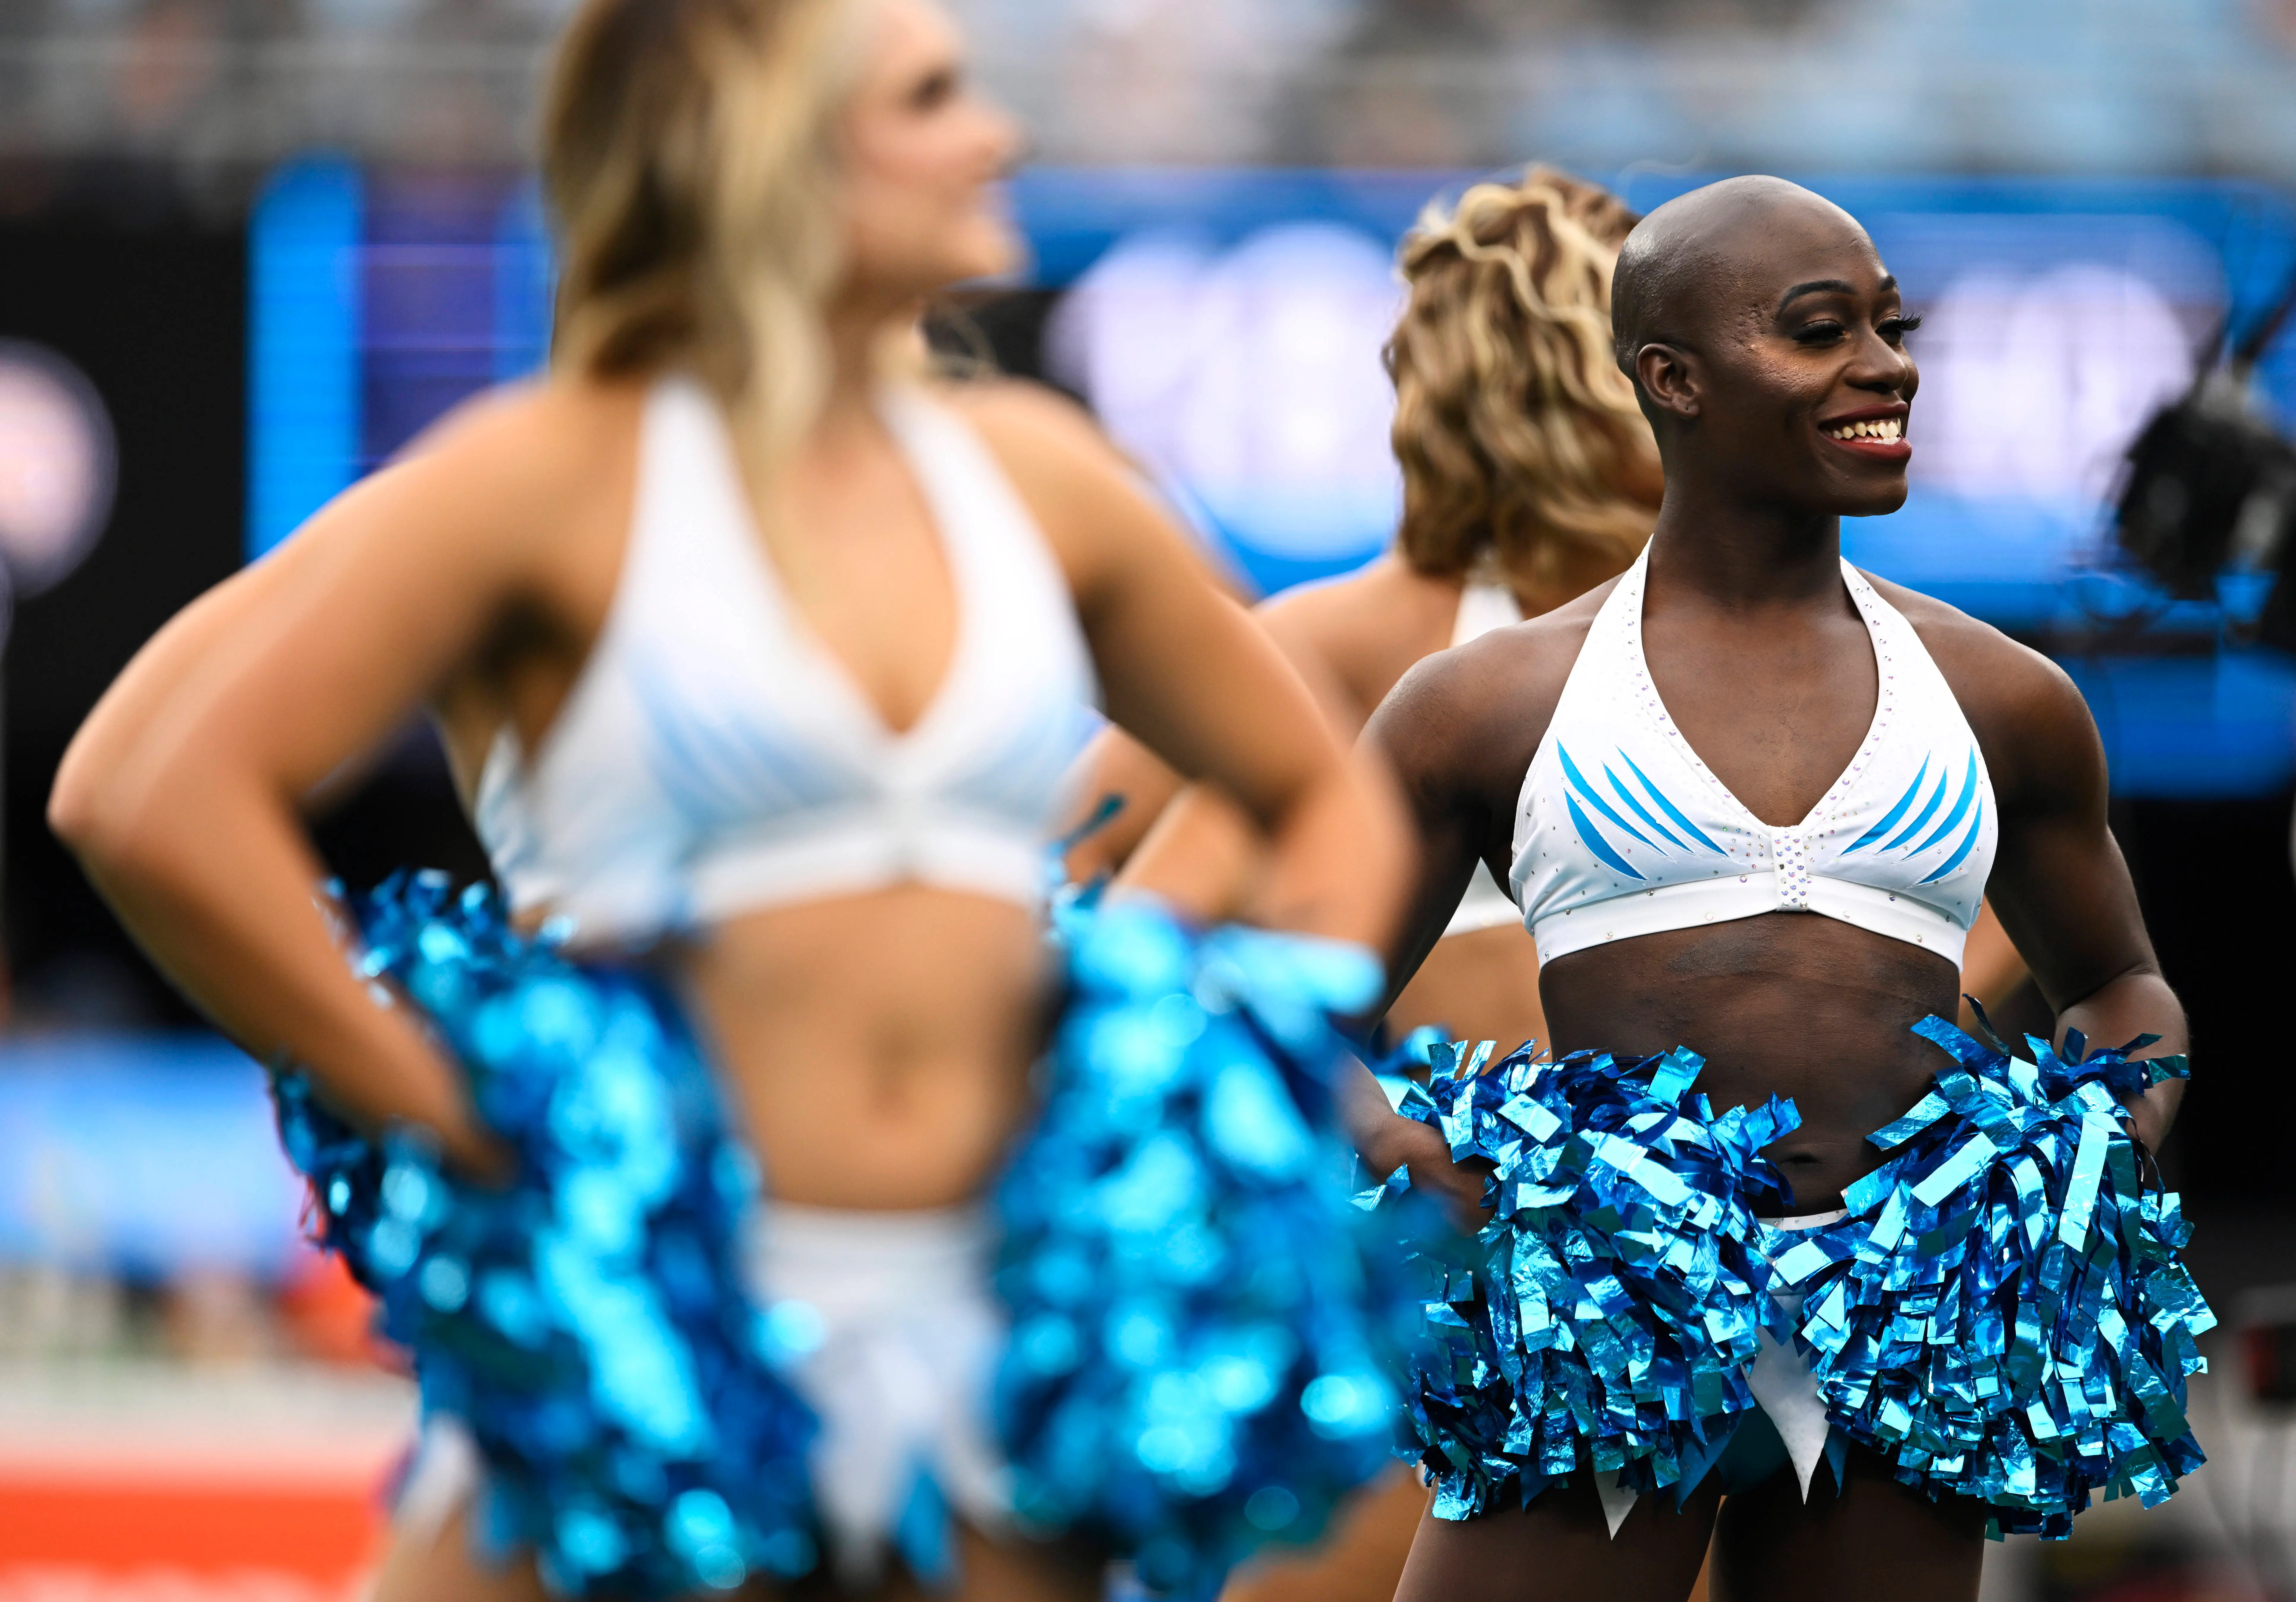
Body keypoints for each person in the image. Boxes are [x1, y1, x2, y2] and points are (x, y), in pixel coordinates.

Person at [47, 2, 1406, 1598]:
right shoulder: (543, 478)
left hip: (995, 1309)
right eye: (932, 96)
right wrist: (447, 1110)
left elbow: (1322, 790)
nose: (997, 134)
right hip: (665, 1304)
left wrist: (1202, 1067)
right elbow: (143, 793)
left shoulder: (1034, 478)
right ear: (778, 147)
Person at [1342, 176, 2196, 1602]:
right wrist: (1422, 1161)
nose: (1887, 366)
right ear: (1670, 379)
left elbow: (2124, 982)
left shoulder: (2002, 696)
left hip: (1900, 1331)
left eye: (1889, 324)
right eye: (1819, 332)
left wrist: (2085, 1159)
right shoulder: (1485, 704)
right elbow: (1298, 997)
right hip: (1610, 1328)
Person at [1066, 167, 1660, 1078]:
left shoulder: (1781, 623)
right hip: (1409, 1208)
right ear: (1580, 387)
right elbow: (1064, 872)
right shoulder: (1341, 641)